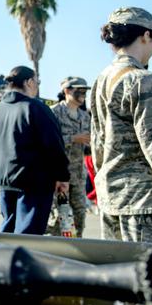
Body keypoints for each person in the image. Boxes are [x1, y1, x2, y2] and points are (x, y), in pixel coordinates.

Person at [90, 7, 152, 243]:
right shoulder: (144, 80)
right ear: (146, 35)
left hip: (112, 198)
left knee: (119, 275)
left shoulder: (102, 79)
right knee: (147, 277)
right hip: (145, 204)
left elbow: (97, 142)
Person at [0, 66, 69, 235]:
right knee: (28, 235)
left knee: (8, 230)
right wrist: (62, 177)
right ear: (29, 82)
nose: (38, 86)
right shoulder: (36, 108)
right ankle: (19, 262)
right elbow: (54, 146)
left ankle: (3, 260)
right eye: (37, 82)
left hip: (4, 181)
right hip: (33, 182)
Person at [46, 76, 91, 237]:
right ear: (67, 90)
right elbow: (48, 142)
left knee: (80, 215)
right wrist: (72, 139)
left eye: (85, 91)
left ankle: (77, 245)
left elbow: (89, 141)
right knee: (60, 216)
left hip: (78, 175)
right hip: (59, 175)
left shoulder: (84, 116)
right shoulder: (53, 112)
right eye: (79, 90)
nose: (83, 94)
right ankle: (57, 248)